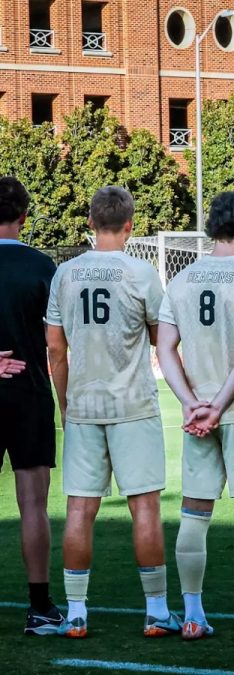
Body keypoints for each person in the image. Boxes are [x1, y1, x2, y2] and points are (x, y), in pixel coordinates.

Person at [46, 186, 177, 639]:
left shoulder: (65, 274)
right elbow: (164, 340)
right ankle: (157, 612)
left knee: (79, 509)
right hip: (133, 404)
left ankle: (77, 613)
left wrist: (65, 402)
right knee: (145, 507)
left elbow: (55, 350)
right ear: (130, 225)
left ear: (88, 222)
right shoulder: (142, 273)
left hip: (83, 405)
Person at [157, 191, 234, 643]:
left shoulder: (181, 280)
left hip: (197, 414)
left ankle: (192, 615)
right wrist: (221, 404)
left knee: (194, 512)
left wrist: (192, 403)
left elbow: (165, 350)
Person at [0, 177, 63, 635]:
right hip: (30, 392)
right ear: (25, 214)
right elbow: (58, 342)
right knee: (33, 504)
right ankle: (40, 607)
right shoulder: (43, 265)